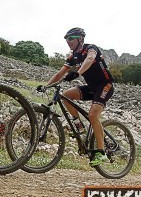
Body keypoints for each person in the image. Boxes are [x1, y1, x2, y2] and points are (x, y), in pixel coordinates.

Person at [43, 27, 114, 166]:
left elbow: (90, 59)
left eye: (70, 38)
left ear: (80, 39)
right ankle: (79, 124)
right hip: (92, 88)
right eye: (66, 39)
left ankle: (101, 152)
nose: (68, 41)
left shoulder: (90, 48)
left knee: (93, 116)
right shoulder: (73, 56)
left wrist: (77, 73)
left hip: (105, 85)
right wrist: (46, 86)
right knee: (65, 95)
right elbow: (60, 73)